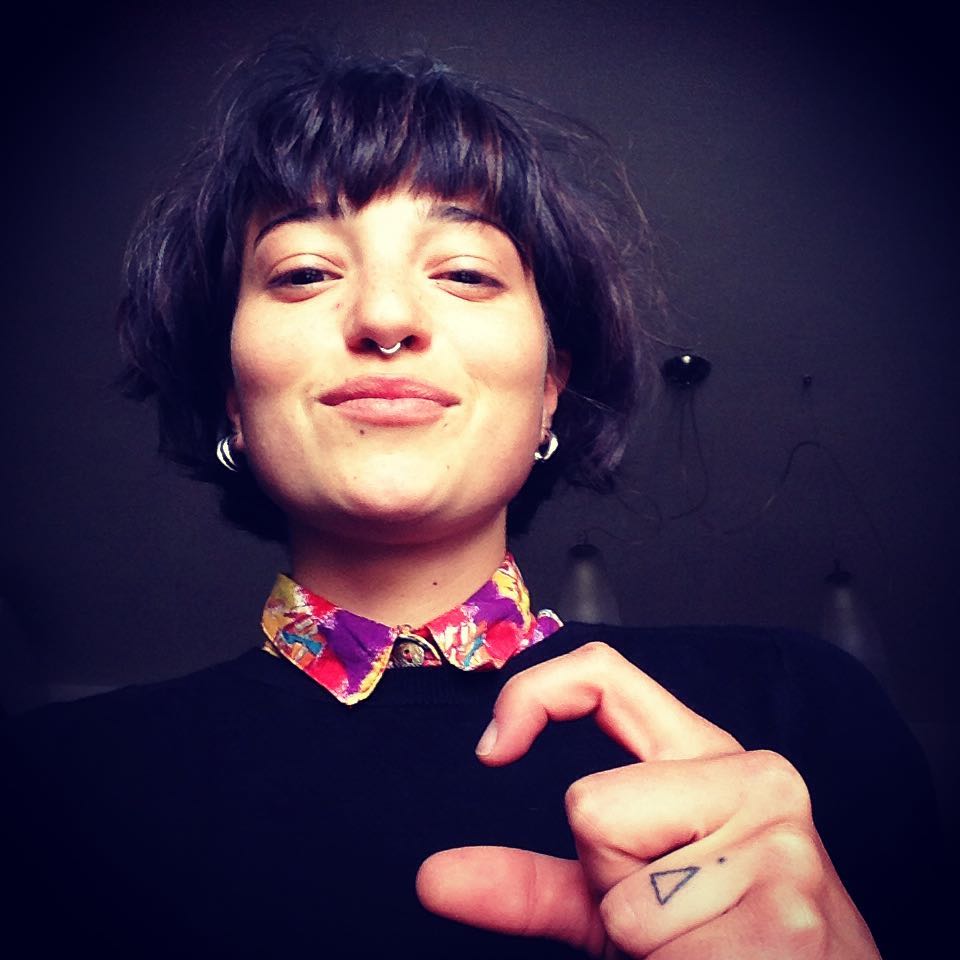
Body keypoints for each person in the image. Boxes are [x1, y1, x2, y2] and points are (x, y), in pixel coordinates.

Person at [1, 35, 943, 959]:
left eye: (464, 273)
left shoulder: (797, 711)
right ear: (232, 403)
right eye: (303, 273)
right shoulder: (50, 787)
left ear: (549, 390)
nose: (385, 318)